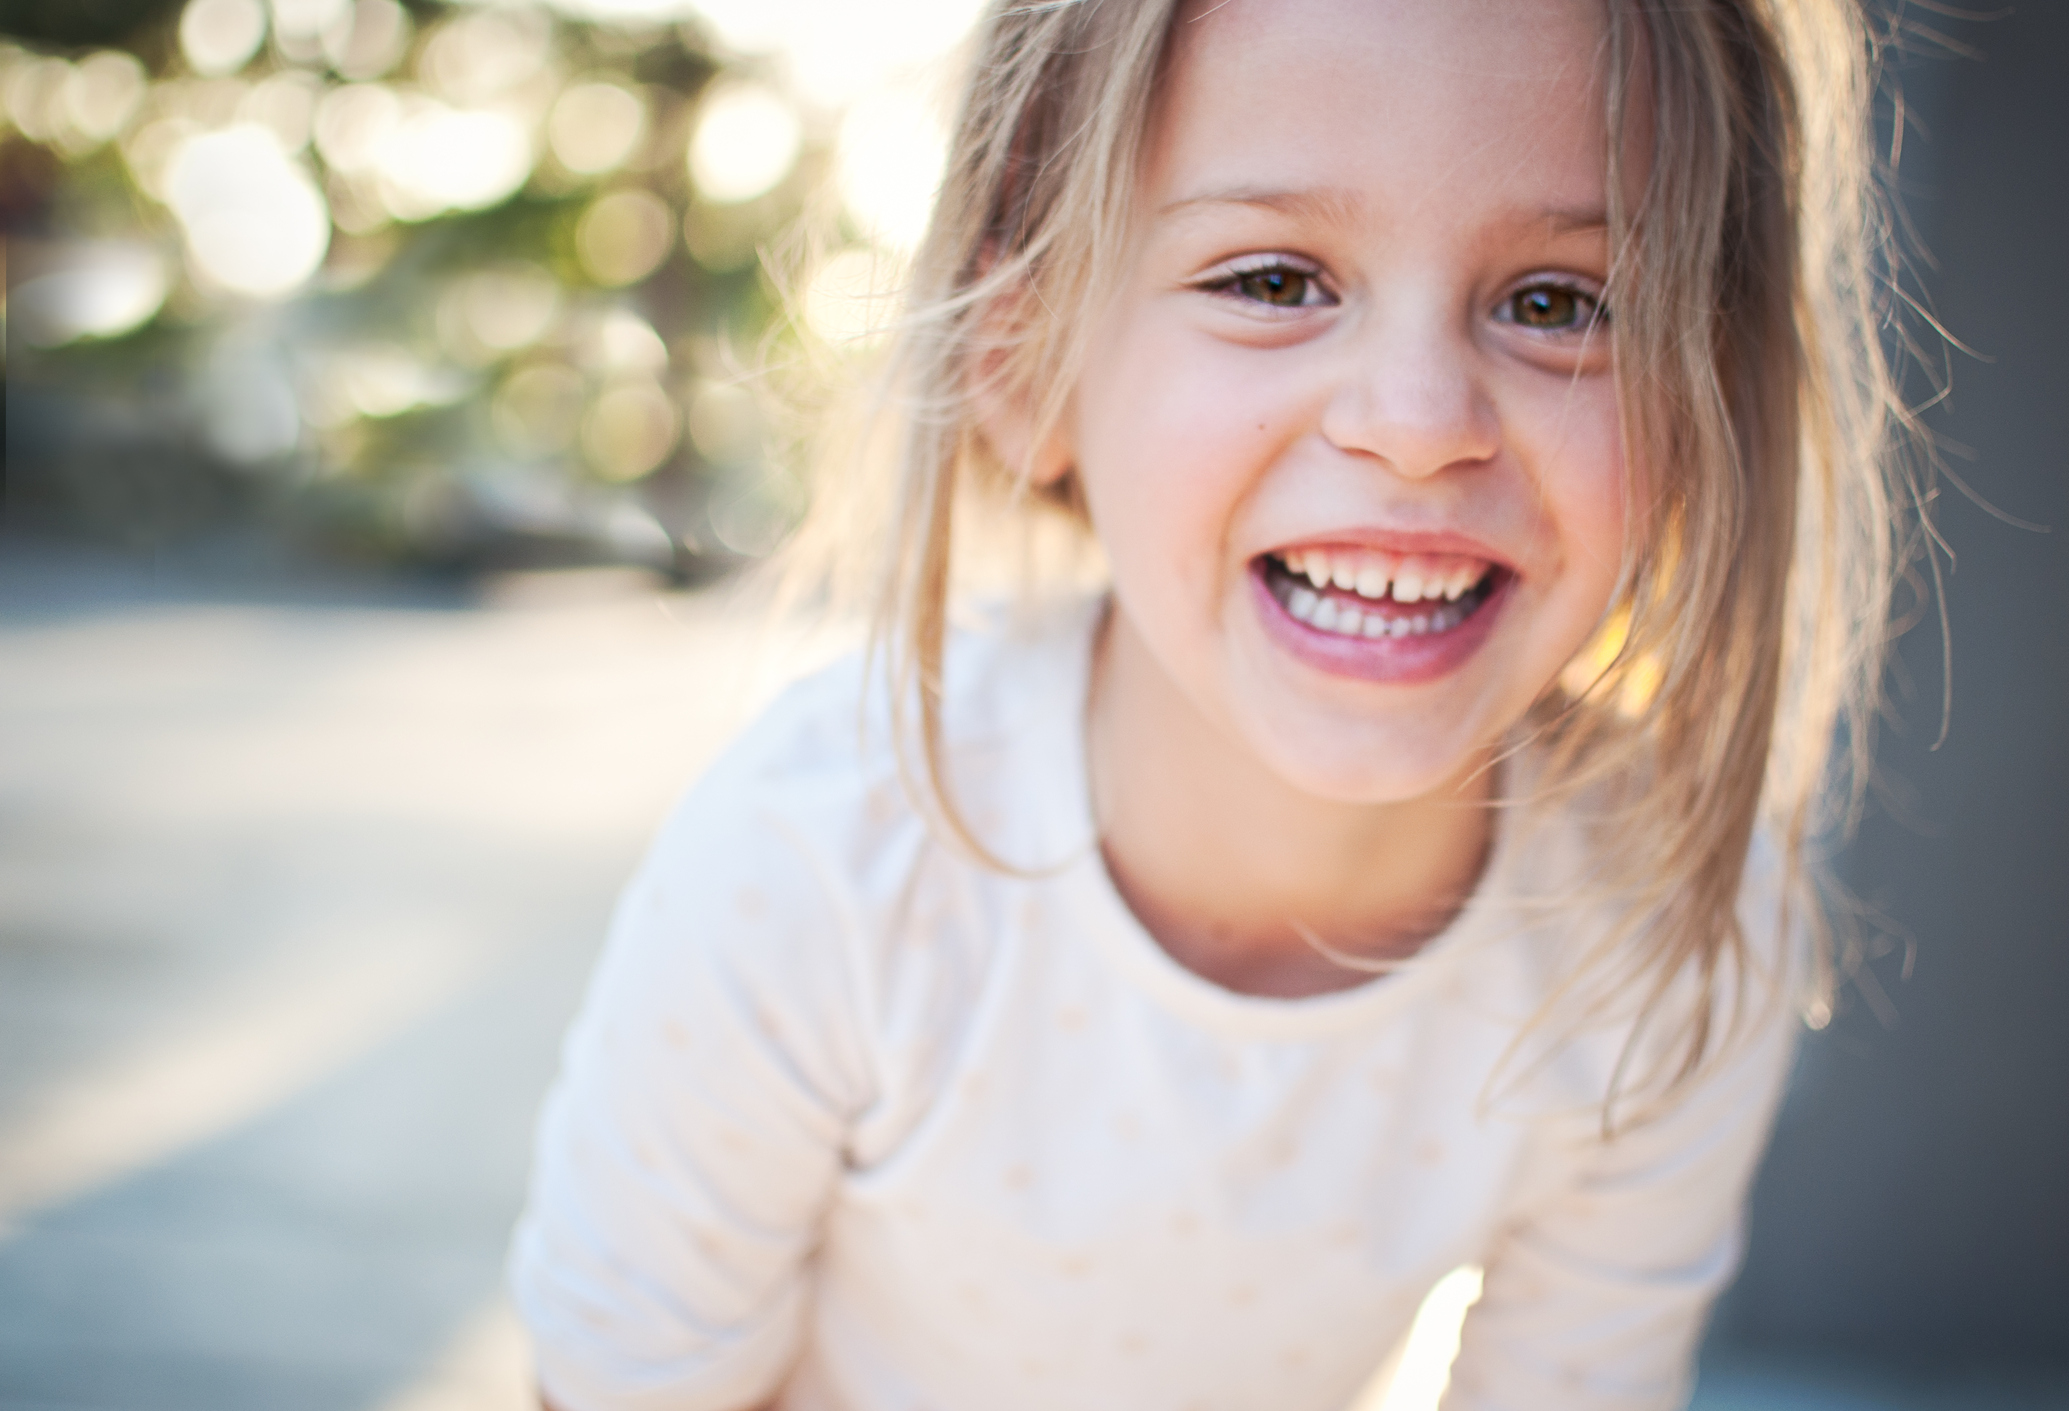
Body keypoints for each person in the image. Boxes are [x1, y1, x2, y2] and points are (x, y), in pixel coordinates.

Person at [510, 0, 1912, 1406]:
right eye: (1272, 279)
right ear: (1021, 356)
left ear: (1706, 404)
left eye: (1560, 303)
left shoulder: (1674, 922)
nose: (1418, 422)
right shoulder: (816, 865)